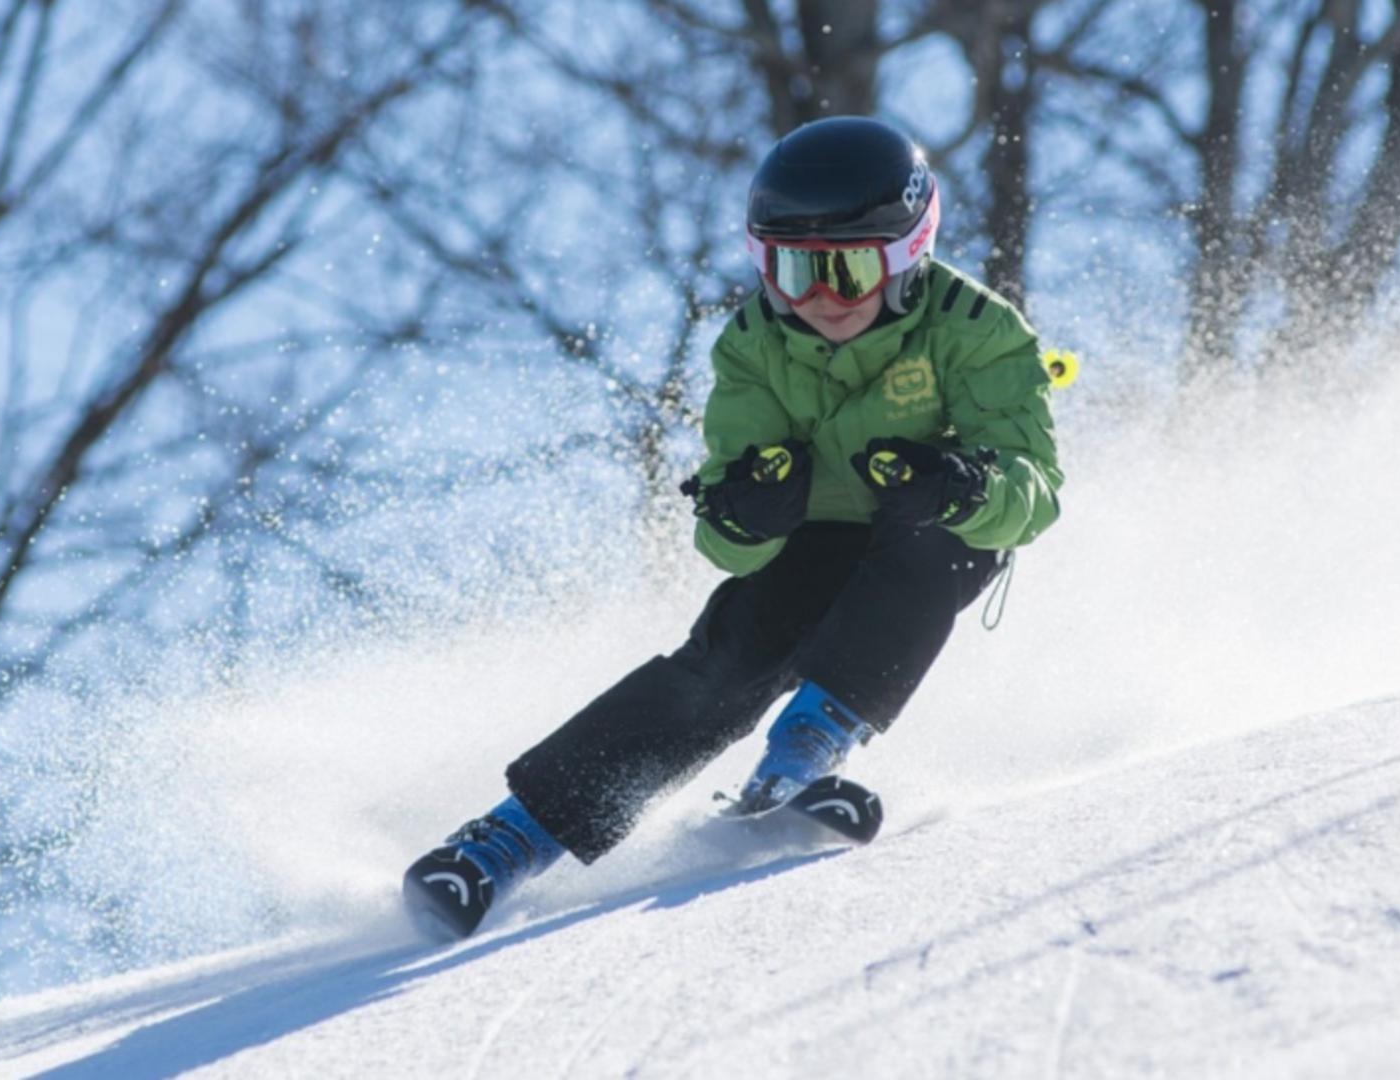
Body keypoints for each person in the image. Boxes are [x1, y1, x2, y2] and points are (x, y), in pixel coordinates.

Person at [403, 116, 1065, 937]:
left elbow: (1035, 493)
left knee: (946, 546)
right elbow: (723, 538)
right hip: (813, 539)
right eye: (791, 271)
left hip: (927, 530)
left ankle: (801, 756)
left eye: (847, 270)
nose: (817, 299)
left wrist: (963, 486)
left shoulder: (978, 328)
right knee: (728, 659)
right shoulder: (754, 343)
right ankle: (506, 842)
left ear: (906, 257)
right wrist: (746, 512)